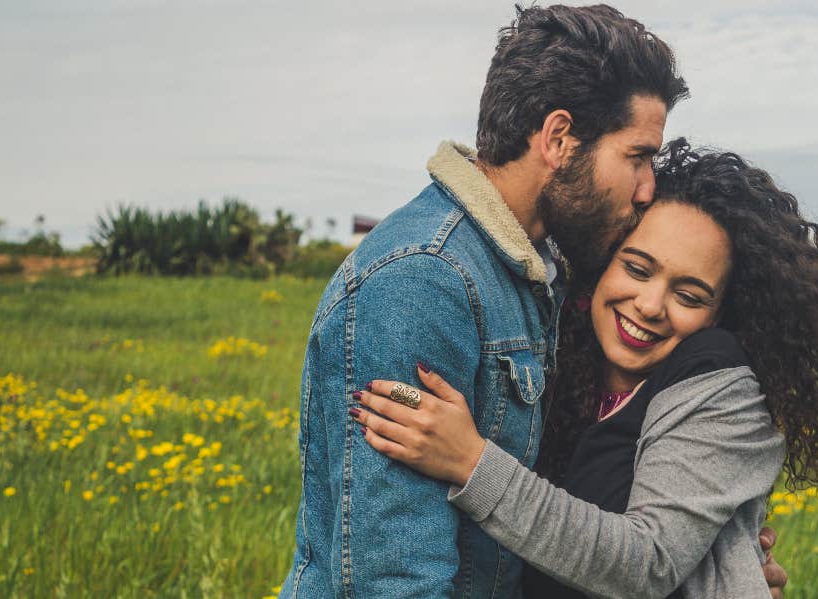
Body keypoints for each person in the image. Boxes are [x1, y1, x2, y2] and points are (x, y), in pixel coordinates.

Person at [278, 5, 786, 598]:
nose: (648, 187)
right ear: (559, 138)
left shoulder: (538, 276)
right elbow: (388, 576)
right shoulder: (423, 281)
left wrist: (717, 570)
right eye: (637, 156)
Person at [352, 140, 818, 597]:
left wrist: (470, 461)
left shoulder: (723, 387)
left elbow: (647, 561)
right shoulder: (555, 359)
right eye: (637, 268)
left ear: (720, 314)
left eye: (688, 294)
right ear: (601, 263)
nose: (648, 305)